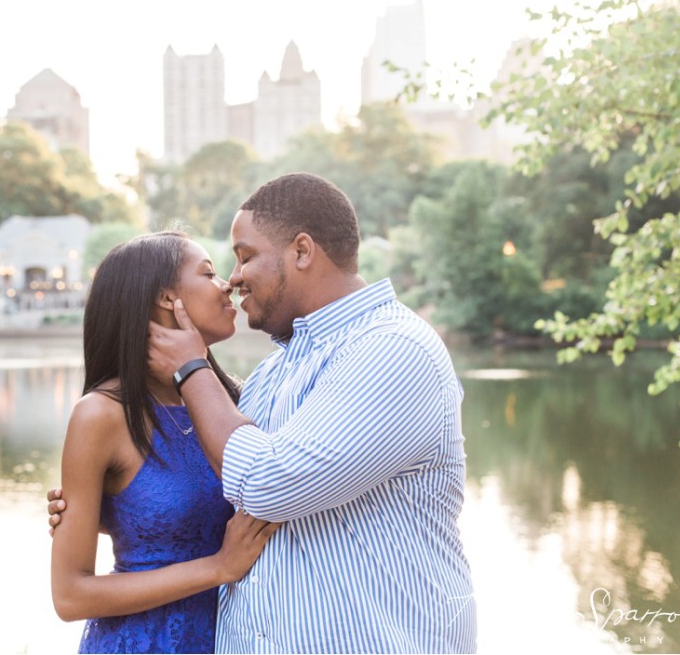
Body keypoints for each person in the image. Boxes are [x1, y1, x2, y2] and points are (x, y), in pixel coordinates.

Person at [52, 172, 477, 653]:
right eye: (216, 269)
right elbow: (218, 495)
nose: (231, 281)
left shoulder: (389, 349)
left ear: (300, 251)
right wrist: (111, 509)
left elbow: (264, 484)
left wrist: (191, 368)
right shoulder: (270, 376)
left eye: (244, 257)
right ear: (166, 299)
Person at [50, 231, 280, 654]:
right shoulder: (101, 415)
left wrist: (113, 515)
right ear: (164, 297)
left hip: (238, 637)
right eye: (208, 273)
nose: (227, 283)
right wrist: (217, 568)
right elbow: (70, 596)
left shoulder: (237, 401)